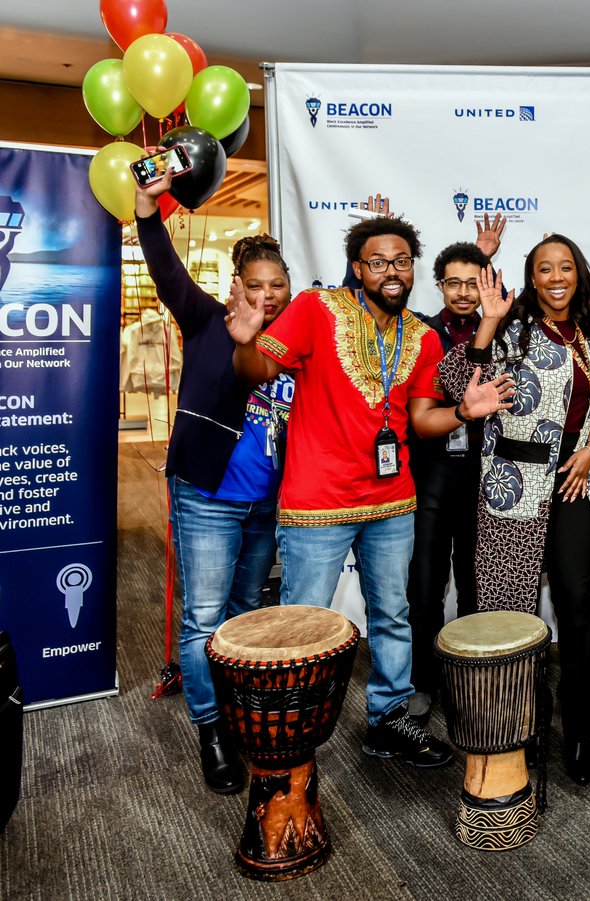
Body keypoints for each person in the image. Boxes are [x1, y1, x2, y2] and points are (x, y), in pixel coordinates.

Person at [224, 215, 514, 769]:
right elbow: (257, 370)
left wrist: (462, 412)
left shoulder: (424, 337)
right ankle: (289, 736)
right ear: (358, 268)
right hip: (318, 504)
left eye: (401, 261)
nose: (391, 271)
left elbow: (421, 419)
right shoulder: (316, 309)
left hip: (391, 503)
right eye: (378, 262)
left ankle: (388, 718)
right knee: (302, 623)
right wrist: (243, 343)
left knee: (392, 615)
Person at [439, 235, 590, 786]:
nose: (557, 276)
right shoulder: (511, 331)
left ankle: (578, 736)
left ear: (579, 274)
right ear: (532, 278)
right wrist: (490, 323)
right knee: (512, 618)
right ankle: (519, 729)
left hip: (574, 486)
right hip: (511, 487)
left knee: (575, 612)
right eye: (545, 269)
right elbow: (454, 383)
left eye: (566, 266)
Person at [134, 168, 294, 795]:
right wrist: (148, 211)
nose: (268, 295)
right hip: (206, 494)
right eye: (256, 285)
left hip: (265, 502)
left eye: (277, 285)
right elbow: (166, 267)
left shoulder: (297, 341)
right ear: (237, 286)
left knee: (244, 611)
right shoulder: (205, 319)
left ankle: (235, 709)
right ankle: (212, 730)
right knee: (202, 619)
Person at [406, 242, 492, 720]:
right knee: (424, 586)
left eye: (472, 283)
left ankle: (471, 678)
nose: (462, 293)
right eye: (452, 282)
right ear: (437, 285)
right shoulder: (420, 331)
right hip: (430, 474)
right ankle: (423, 680)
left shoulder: (501, 330)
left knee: (476, 588)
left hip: (483, 477)